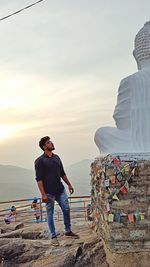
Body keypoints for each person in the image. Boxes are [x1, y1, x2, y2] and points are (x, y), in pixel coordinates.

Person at [34, 136, 79, 246]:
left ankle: (67, 231)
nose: (52, 143)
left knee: (66, 208)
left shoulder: (57, 158)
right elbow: (39, 179)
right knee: (50, 213)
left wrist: (69, 184)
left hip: (60, 189)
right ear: (44, 146)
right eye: (49, 142)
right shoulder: (39, 161)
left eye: (51, 141)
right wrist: (43, 194)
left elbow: (62, 173)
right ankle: (53, 236)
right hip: (48, 192)